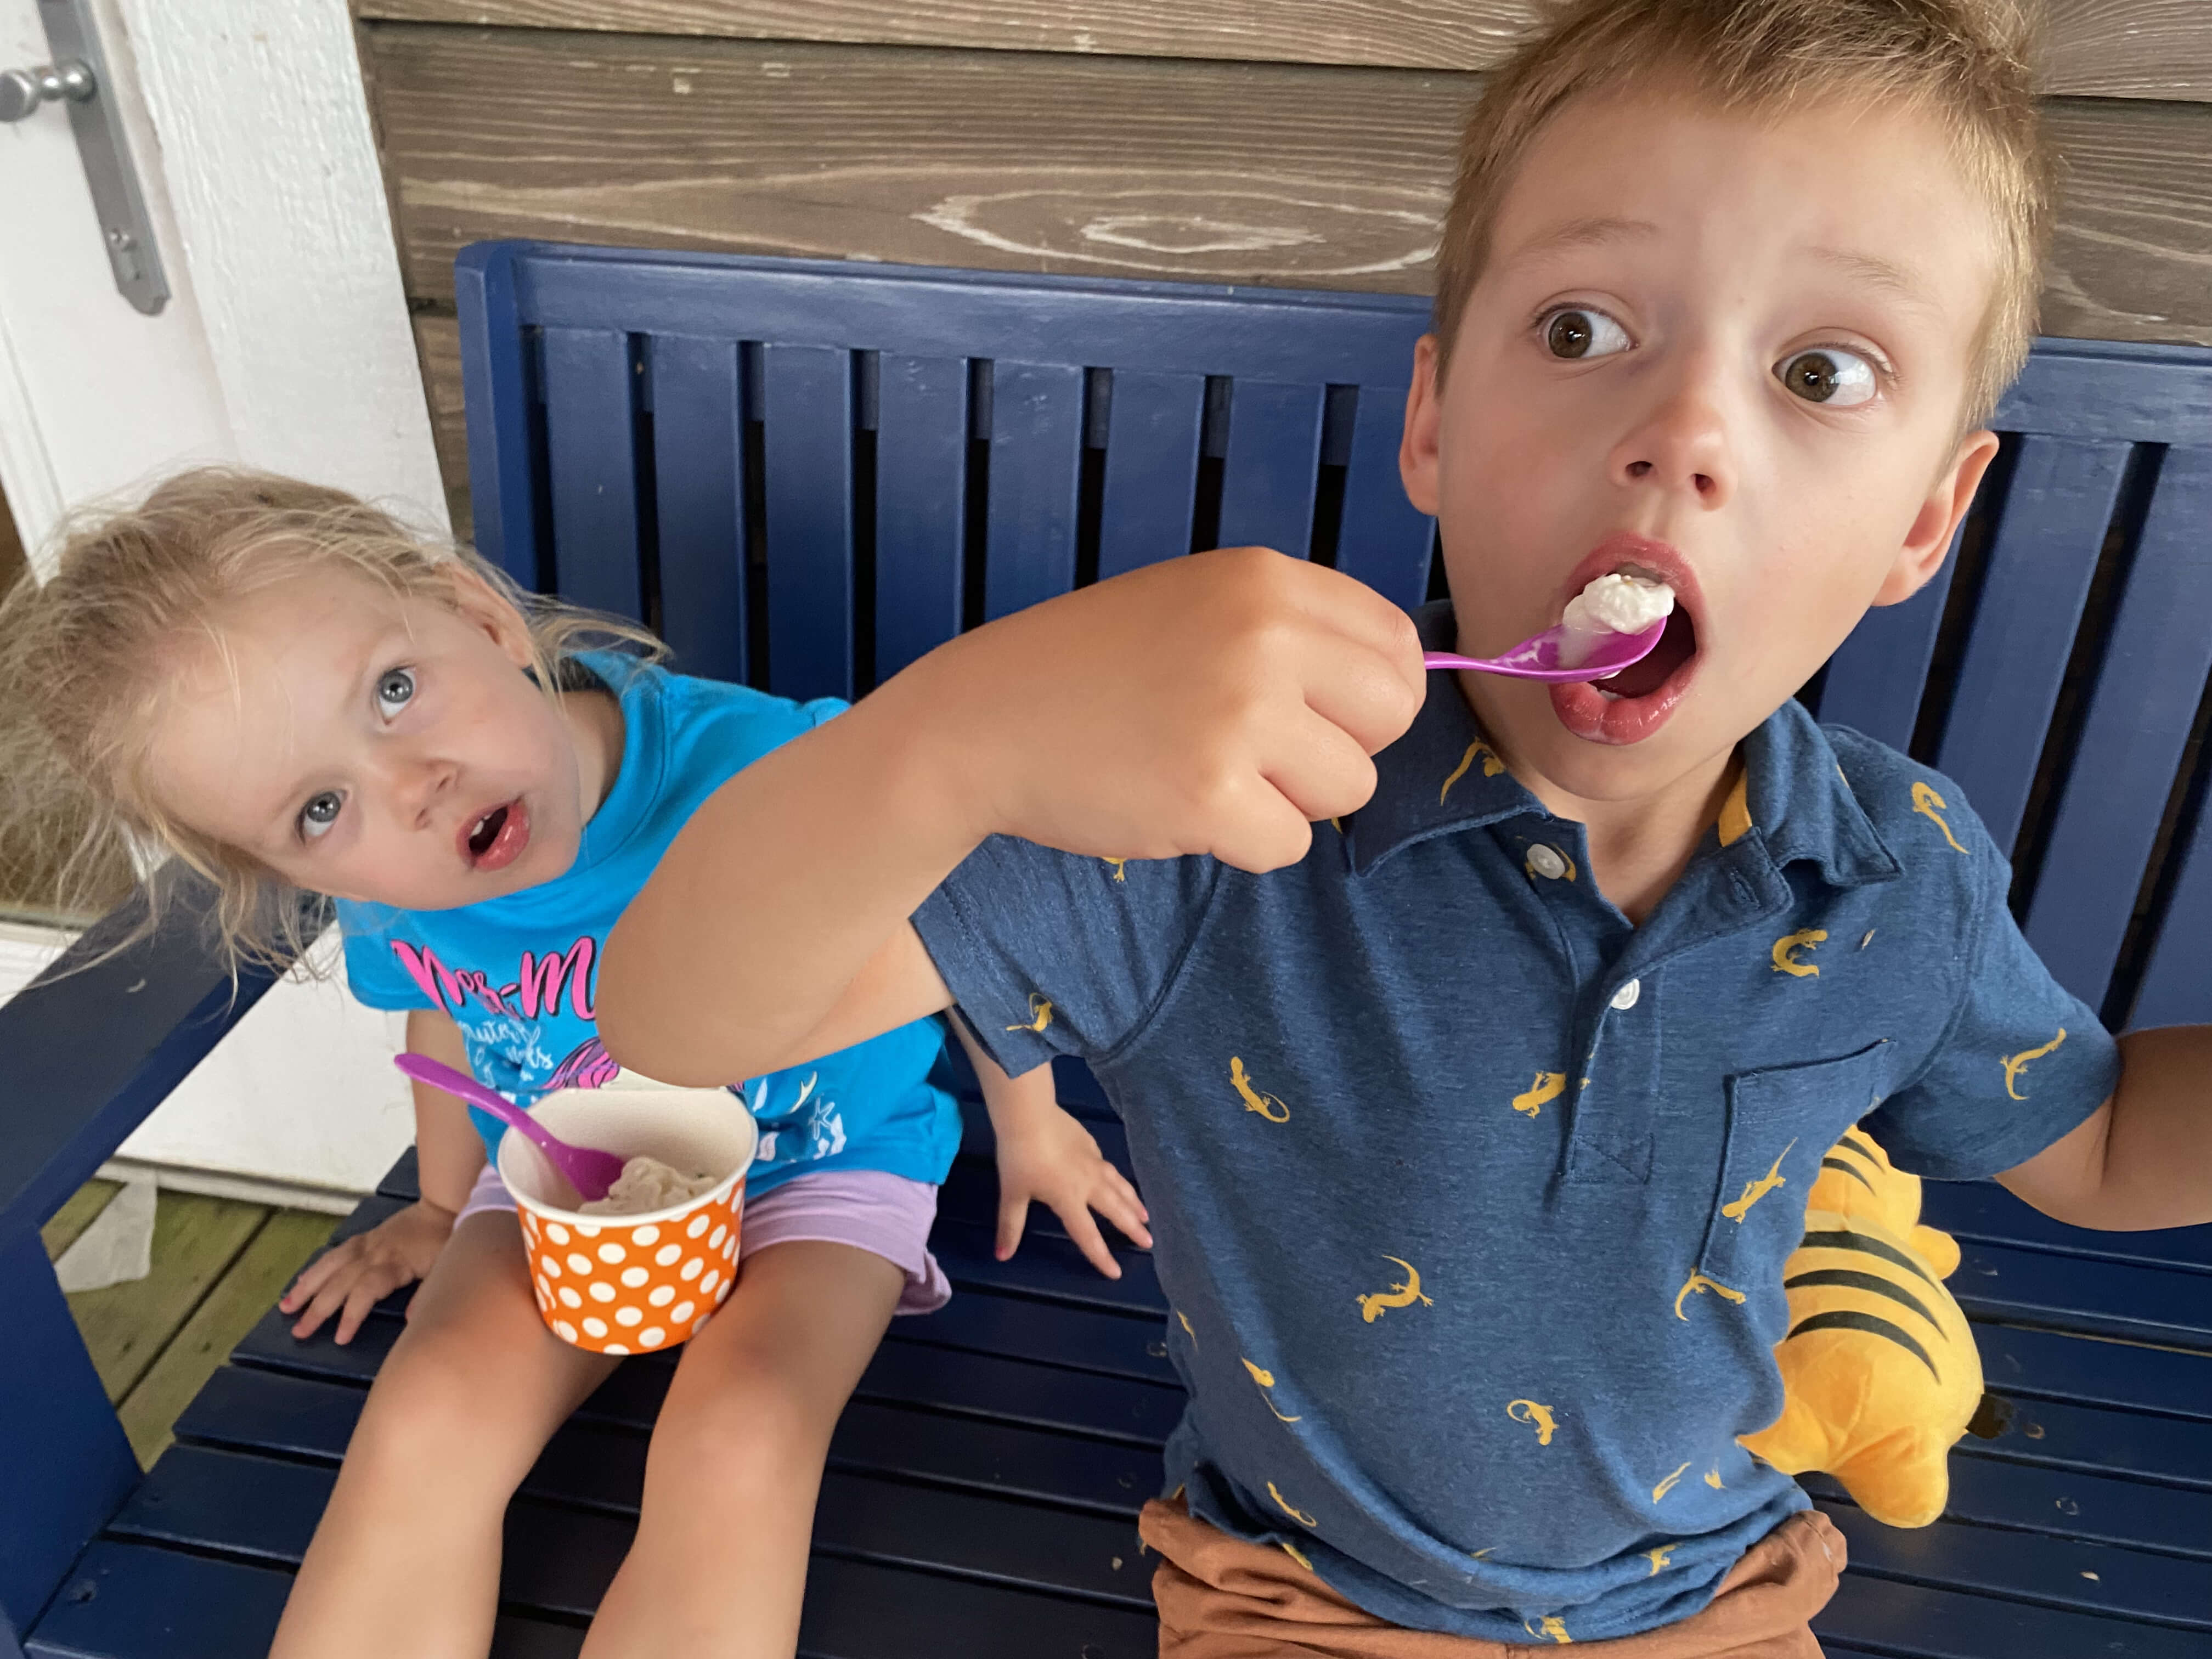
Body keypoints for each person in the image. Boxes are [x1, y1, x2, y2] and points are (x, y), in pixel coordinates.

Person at [593, 2, 2212, 1652]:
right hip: (1301, 1602)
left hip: (1712, 1597)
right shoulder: (1214, 829)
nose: (1689, 437)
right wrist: (955, 739)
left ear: (1925, 521)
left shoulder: (1896, 880)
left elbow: (2091, 1143)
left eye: (1822, 372)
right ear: (1431, 424)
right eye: (1584, 331)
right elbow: (677, 1018)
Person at [0, 468, 1147, 1659]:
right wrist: (442, 1210)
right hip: (566, 1186)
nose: (410, 787)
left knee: (738, 1438)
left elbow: (960, 920)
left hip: (821, 1171)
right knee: (428, 1413)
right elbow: (441, 1024)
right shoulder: (400, 889)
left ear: (484, 622)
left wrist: (1034, 1120)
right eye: (320, 810)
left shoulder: (773, 770)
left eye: (394, 692)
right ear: (303, 877)